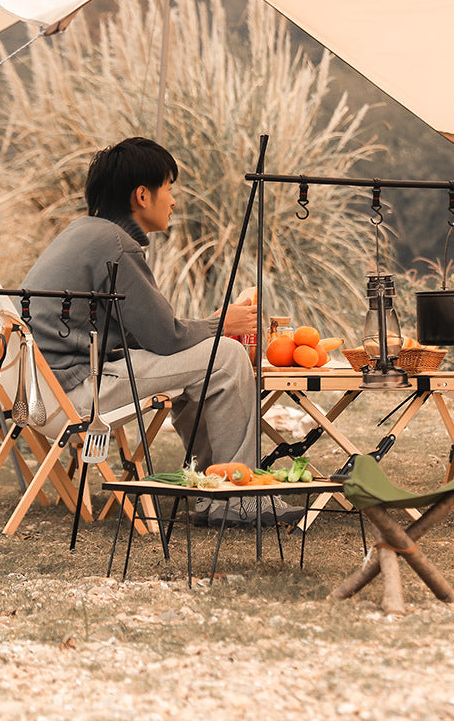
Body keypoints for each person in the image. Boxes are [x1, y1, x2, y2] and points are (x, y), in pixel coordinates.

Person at [22, 136, 301, 527]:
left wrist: (207, 327)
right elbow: (165, 339)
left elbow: (144, 333)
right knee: (228, 355)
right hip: (72, 394)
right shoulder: (115, 245)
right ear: (141, 195)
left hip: (37, 394)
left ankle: (211, 489)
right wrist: (221, 324)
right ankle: (238, 499)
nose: (173, 200)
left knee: (206, 363)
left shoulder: (83, 232)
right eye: (169, 189)